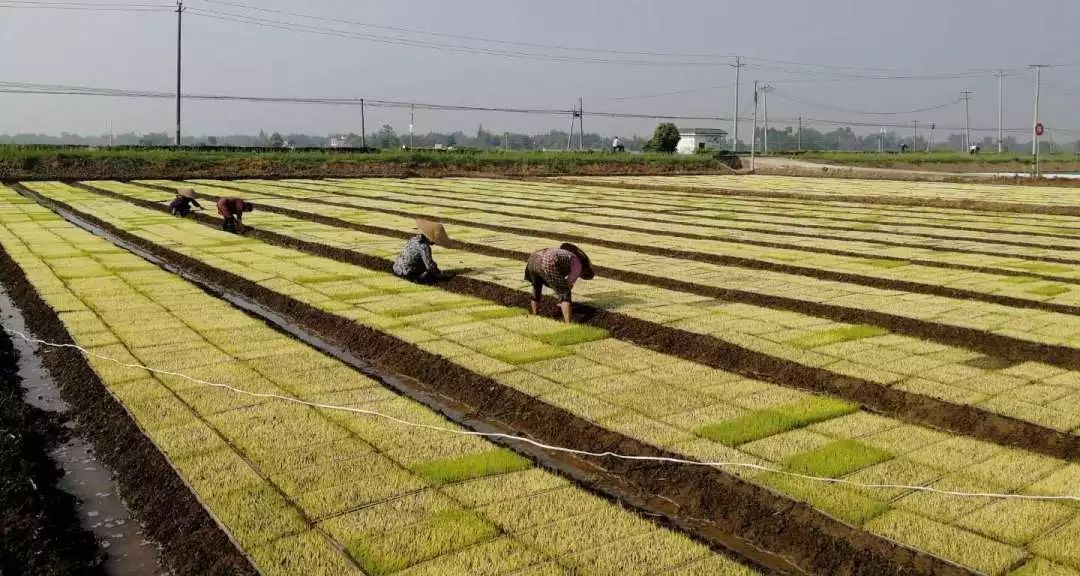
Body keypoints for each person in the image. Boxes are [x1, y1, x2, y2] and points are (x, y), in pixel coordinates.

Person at [524, 243, 595, 323]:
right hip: (547, 261)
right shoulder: (577, 264)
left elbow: (557, 279)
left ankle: (535, 314)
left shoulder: (563, 253)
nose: (580, 276)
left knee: (537, 286)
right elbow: (568, 283)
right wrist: (562, 299)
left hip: (533, 258)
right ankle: (568, 323)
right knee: (565, 293)